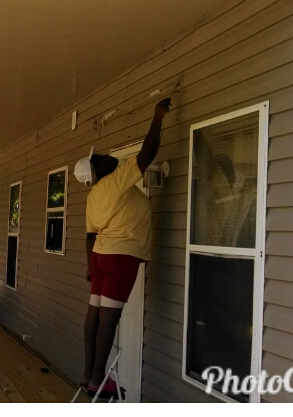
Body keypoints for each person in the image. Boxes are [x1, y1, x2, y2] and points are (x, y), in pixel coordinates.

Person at [73, 97, 171, 399]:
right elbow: (147, 154)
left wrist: (90, 265)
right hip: (120, 256)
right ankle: (97, 379)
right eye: (97, 158)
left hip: (102, 256)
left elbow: (90, 236)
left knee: (95, 314)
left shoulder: (94, 196)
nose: (102, 156)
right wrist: (157, 118)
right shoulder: (116, 180)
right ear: (97, 170)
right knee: (109, 318)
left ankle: (89, 373)